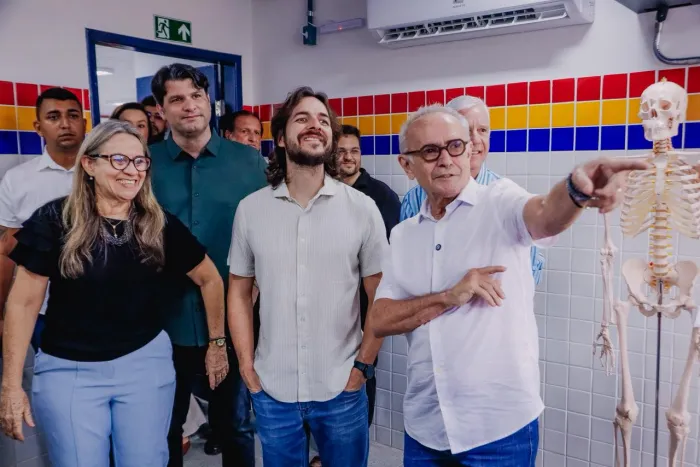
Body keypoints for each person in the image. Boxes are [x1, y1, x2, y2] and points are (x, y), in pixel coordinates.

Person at [371, 105, 649, 466]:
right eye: (429, 151)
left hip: (498, 432)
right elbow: (380, 319)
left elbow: (545, 214)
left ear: (468, 151)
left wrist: (575, 191)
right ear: (407, 165)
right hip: (425, 430)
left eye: (455, 146)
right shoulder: (404, 235)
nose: (446, 160)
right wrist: (448, 297)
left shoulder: (499, 201)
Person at [0, 120, 229, 466]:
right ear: (89, 164)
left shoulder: (158, 223)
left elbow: (210, 278)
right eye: (119, 159)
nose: (132, 171)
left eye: (140, 161)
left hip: (145, 365)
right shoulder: (55, 219)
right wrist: (10, 385)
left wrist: (217, 343)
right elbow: (23, 302)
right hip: (69, 371)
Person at [227, 86, 388, 467]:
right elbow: (238, 291)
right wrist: (247, 367)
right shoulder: (251, 210)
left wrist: (363, 366)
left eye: (323, 121)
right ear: (281, 138)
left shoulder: (362, 209)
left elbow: (381, 296)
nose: (315, 125)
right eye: (302, 118)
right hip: (273, 388)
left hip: (342, 386)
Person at [148, 63, 267, 467]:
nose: (189, 106)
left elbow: (267, 236)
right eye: (176, 99)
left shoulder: (249, 163)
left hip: (233, 316)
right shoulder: (145, 164)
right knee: (165, 427)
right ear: (161, 109)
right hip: (162, 320)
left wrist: (256, 294)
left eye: (196, 96)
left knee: (235, 425)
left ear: (209, 102)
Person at [400, 95, 545, 286]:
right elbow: (406, 266)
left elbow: (530, 272)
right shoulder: (414, 199)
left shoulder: (507, 197)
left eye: (483, 130)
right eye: (467, 131)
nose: (476, 140)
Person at [0, 87, 86, 352]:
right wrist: (2, 311)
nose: (65, 124)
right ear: (38, 127)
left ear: (84, 124)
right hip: (43, 308)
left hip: (107, 302)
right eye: (53, 117)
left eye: (73, 115)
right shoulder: (18, 180)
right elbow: (6, 249)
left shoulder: (107, 173)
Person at [336, 123, 399, 423]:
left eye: (354, 151)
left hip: (365, 300)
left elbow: (388, 255)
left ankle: (359, 433)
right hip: (328, 299)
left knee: (363, 367)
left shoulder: (381, 196)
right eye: (341, 151)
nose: (348, 157)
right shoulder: (321, 193)